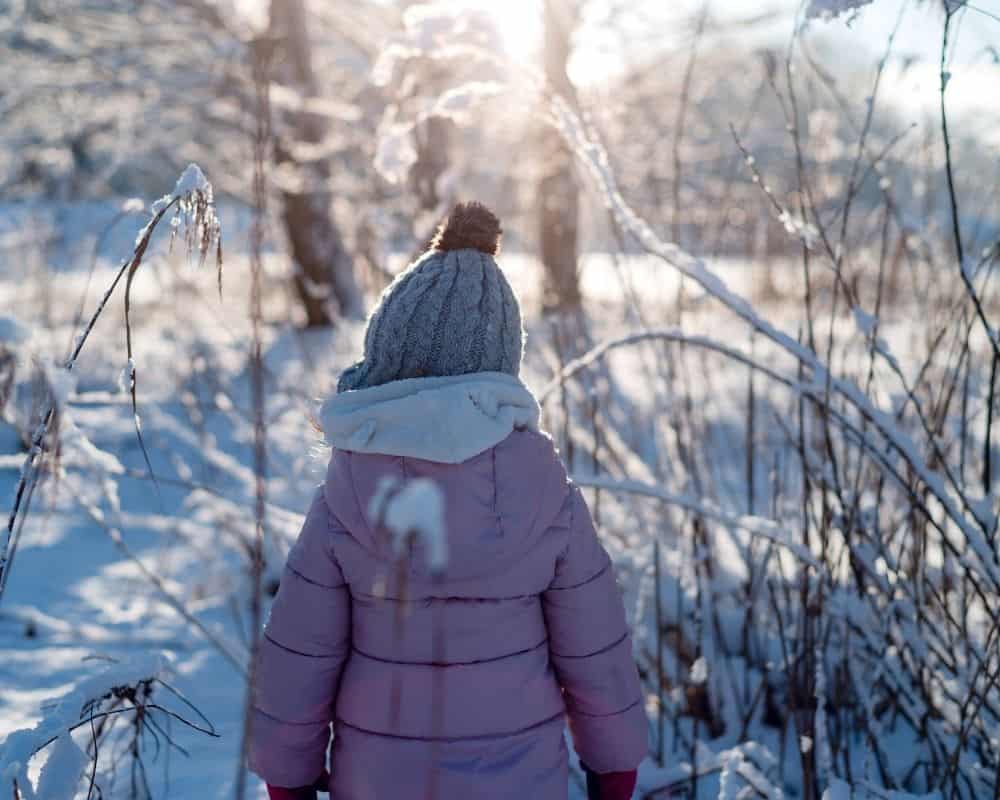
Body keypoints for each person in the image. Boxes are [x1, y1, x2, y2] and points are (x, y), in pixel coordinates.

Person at [248, 202, 648, 800]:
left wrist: (289, 779)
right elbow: (596, 654)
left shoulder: (346, 495)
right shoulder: (548, 496)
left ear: (387, 361)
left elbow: (300, 661)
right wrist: (613, 770)